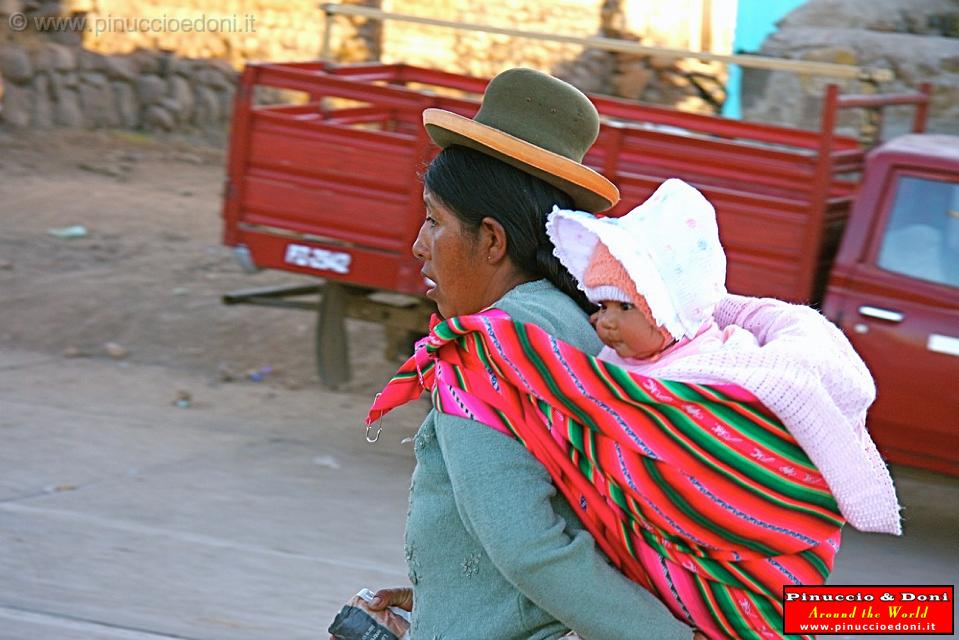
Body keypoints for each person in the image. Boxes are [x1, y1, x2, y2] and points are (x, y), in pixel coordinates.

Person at [365, 68, 692, 639]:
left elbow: (531, 548)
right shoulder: (580, 327)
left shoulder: (485, 353)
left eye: (434, 221)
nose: (419, 246)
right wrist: (443, 594)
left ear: (492, 240)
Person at [543, 178, 901, 638]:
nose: (603, 321)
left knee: (830, 617)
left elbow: (706, 460)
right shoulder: (629, 356)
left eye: (623, 307)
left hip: (753, 567)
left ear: (668, 310)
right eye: (601, 304)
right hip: (666, 576)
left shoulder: (713, 367)